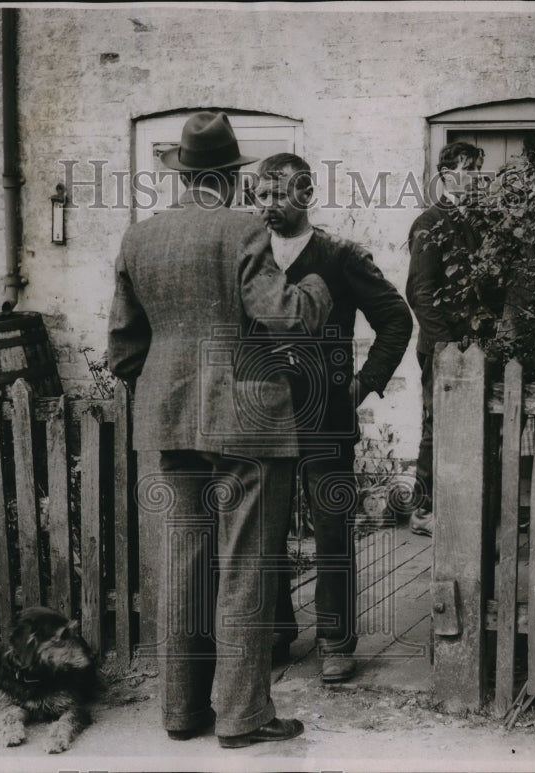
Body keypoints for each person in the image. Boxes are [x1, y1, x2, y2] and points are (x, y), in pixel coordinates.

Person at [107, 113, 333, 749]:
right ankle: (243, 717)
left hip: (169, 419)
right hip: (247, 422)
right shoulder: (244, 231)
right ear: (233, 178)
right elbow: (285, 315)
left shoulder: (139, 238)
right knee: (246, 565)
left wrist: (163, 387)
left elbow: (124, 351)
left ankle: (182, 713)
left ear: (183, 174)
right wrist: (315, 286)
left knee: (183, 567)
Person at [253, 153, 412, 683]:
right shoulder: (247, 252)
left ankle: (335, 639)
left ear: (304, 195)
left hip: (326, 414)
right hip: (263, 413)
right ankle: (276, 630)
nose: (269, 205)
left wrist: (364, 383)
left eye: (279, 195)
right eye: (262, 194)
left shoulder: (339, 256)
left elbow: (395, 318)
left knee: (332, 529)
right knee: (265, 526)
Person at [405, 142, 485, 537]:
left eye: (476, 171)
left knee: (470, 428)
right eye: (465, 170)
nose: (472, 178)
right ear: (445, 175)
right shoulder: (430, 222)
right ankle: (423, 510)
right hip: (443, 349)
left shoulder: (480, 223)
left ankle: (460, 508)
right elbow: (420, 293)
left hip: (475, 348)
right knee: (436, 426)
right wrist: (447, 348)